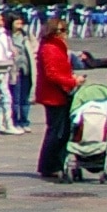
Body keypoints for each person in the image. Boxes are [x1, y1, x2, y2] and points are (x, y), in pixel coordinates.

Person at [35, 13, 81, 178]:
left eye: (65, 30)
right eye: (61, 30)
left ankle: (56, 163)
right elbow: (52, 74)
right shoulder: (49, 48)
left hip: (61, 93)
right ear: (53, 31)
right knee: (56, 132)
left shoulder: (57, 46)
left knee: (61, 131)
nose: (64, 33)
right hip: (54, 95)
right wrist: (72, 81)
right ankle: (49, 165)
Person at [4, 13, 35, 132]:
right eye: (17, 22)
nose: (20, 25)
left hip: (26, 68)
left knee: (25, 97)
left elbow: (35, 47)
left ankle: (24, 121)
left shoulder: (26, 35)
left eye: (21, 22)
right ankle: (15, 121)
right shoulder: (7, 36)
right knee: (15, 97)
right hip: (14, 70)